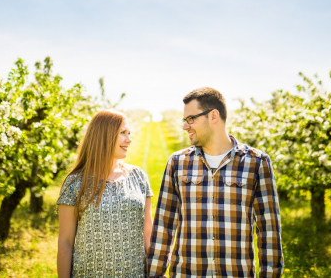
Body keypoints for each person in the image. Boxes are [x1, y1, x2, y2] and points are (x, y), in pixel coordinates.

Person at [147, 87, 284, 278]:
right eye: (184, 121)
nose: (185, 127)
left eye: (191, 119)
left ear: (213, 116)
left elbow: (269, 229)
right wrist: (155, 274)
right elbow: (164, 224)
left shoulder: (257, 162)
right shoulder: (178, 162)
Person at [57, 109, 154, 278]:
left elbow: (148, 232)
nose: (129, 139)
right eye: (123, 133)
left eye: (129, 133)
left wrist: (155, 273)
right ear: (104, 135)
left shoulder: (138, 177)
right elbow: (65, 242)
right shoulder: (75, 183)